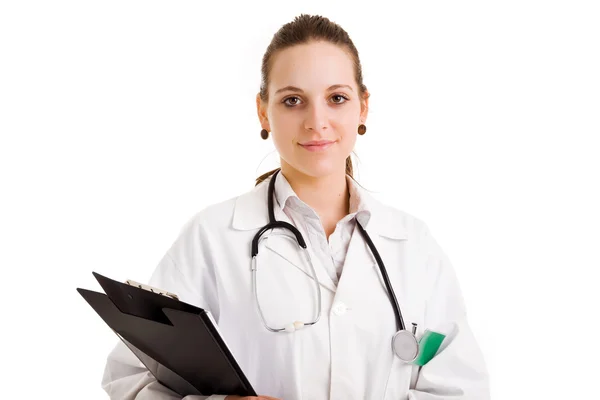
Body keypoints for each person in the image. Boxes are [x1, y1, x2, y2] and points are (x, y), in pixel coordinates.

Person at [101, 14, 490, 400]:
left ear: (363, 107)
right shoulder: (213, 237)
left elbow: (462, 390)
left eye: (337, 98)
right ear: (263, 112)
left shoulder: (412, 244)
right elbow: (129, 378)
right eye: (292, 101)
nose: (316, 121)